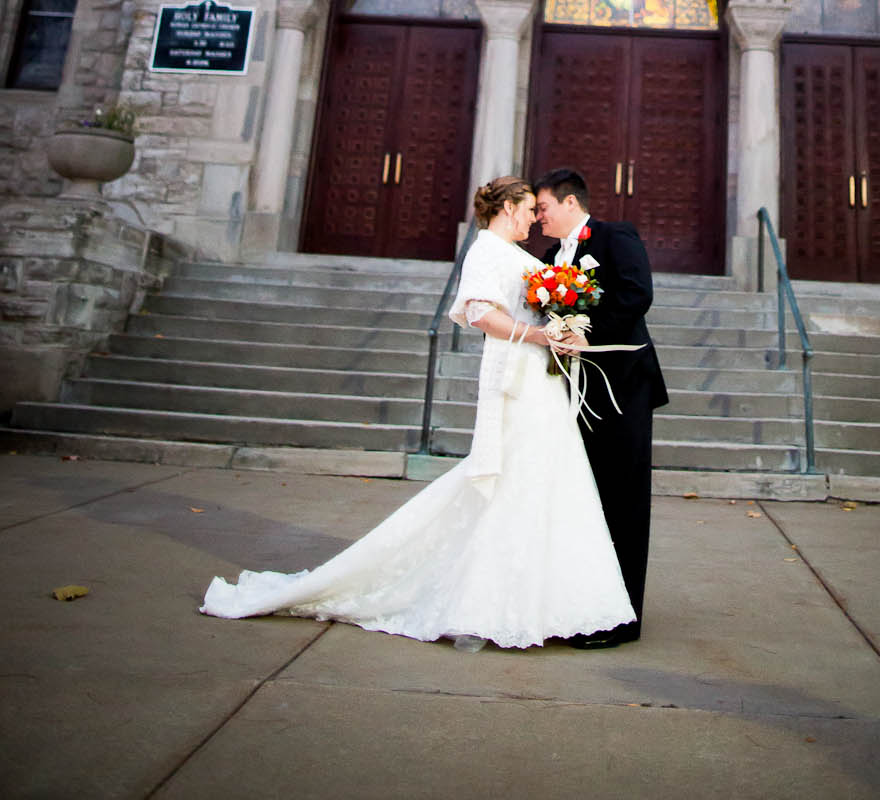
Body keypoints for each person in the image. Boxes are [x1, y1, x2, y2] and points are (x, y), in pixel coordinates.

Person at [200, 176, 635, 649]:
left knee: (543, 480)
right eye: (530, 208)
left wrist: (562, 323)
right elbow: (480, 313)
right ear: (509, 207)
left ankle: (552, 601)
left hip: (540, 380)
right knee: (511, 477)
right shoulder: (486, 249)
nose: (535, 218)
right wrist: (538, 336)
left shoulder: (520, 254)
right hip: (517, 375)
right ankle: (492, 599)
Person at [534, 167, 669, 646]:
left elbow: (636, 294)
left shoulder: (615, 236)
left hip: (624, 388)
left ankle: (623, 619)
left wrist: (587, 330)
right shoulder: (551, 256)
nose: (537, 218)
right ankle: (586, 603)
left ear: (571, 203)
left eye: (543, 208)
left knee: (623, 501)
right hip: (575, 390)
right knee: (584, 499)